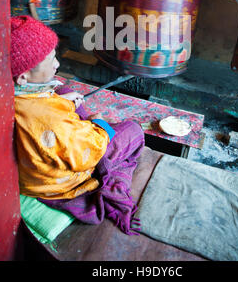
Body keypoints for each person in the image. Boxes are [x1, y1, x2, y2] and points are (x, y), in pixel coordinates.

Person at [11, 15, 144, 235]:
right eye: (51, 59)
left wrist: (61, 101)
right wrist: (100, 125)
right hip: (57, 183)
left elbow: (44, 104)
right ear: (24, 77)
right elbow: (84, 152)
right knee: (133, 131)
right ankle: (107, 180)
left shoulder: (11, 91)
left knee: (62, 91)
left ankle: (83, 122)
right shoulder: (49, 118)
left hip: (39, 152)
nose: (57, 63)